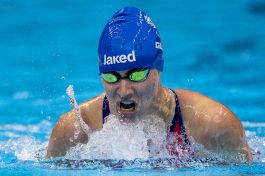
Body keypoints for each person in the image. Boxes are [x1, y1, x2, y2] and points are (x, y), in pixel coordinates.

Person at [46, 7, 252, 162]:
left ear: (158, 67)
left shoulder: (212, 125)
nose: (124, 91)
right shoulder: (74, 131)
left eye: (136, 75)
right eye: (111, 77)